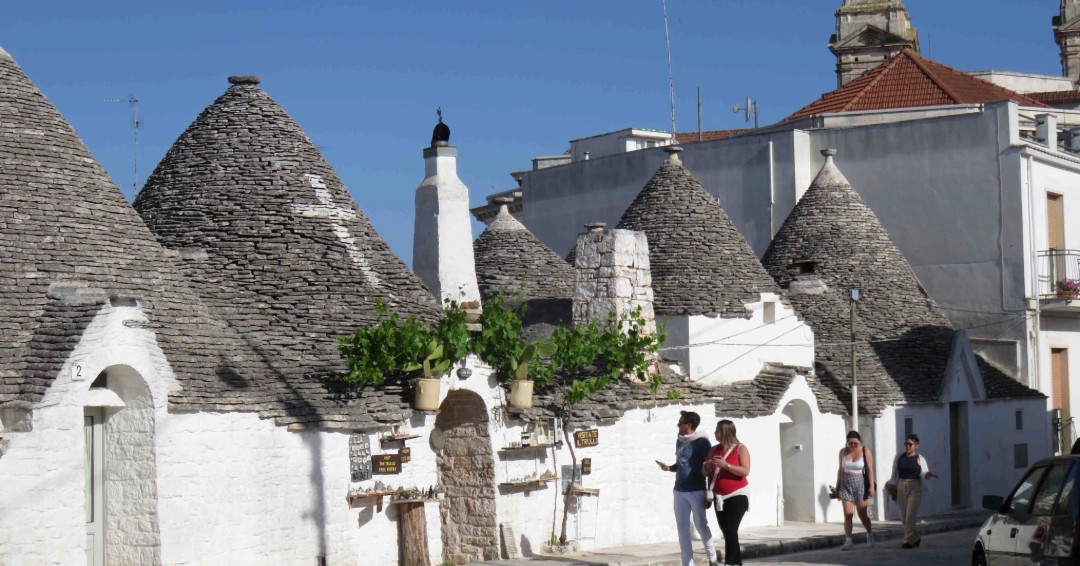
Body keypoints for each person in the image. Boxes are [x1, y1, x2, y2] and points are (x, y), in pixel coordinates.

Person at [656, 411, 719, 566]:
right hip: (679, 490)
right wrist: (669, 468)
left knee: (700, 525)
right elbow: (682, 463)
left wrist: (710, 492)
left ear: (689, 425)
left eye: (680, 423)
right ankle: (687, 563)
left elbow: (710, 466)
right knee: (682, 529)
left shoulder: (702, 442)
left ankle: (713, 558)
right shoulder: (680, 440)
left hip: (697, 490)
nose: (678, 425)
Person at [703, 420, 750, 566]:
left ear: (725, 433)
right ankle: (737, 563)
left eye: (717, 431)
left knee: (730, 530)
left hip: (737, 495)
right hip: (718, 497)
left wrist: (726, 465)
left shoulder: (740, 449)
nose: (715, 433)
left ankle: (729, 563)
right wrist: (708, 466)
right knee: (727, 532)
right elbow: (705, 473)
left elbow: (745, 471)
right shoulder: (713, 450)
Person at [888, 434, 937, 549]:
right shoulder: (899, 457)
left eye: (910, 444)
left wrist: (928, 474)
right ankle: (915, 537)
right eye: (906, 444)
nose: (907, 446)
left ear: (916, 445)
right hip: (901, 485)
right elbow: (894, 474)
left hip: (915, 486)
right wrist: (892, 486)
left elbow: (924, 473)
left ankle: (907, 540)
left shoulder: (920, 459)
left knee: (910, 515)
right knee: (904, 516)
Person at [832, 430, 875, 550]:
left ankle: (869, 534)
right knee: (848, 514)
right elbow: (840, 469)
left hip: (860, 483)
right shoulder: (843, 452)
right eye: (850, 443)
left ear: (859, 442)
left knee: (862, 514)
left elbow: (870, 470)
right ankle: (849, 540)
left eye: (855, 443)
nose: (853, 446)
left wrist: (871, 487)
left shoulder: (865, 451)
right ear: (847, 443)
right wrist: (837, 487)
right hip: (846, 483)